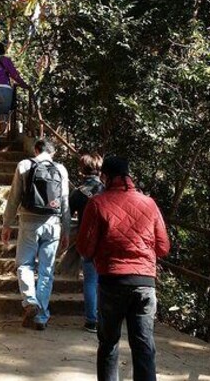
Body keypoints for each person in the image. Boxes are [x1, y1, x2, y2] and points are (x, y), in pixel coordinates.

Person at [77, 156, 171, 381]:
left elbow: (85, 248)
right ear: (129, 176)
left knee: (109, 344)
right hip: (144, 283)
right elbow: (164, 247)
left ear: (105, 177)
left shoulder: (97, 203)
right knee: (144, 346)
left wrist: (102, 253)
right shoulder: (149, 203)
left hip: (112, 282)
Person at [1, 139, 70, 330]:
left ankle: (30, 301)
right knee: (46, 270)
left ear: (35, 150)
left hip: (29, 223)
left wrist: (7, 225)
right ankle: (41, 317)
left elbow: (14, 197)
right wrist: (66, 230)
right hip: (53, 225)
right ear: (52, 153)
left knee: (24, 264)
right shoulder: (61, 170)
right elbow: (64, 202)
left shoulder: (24, 165)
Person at [68, 153, 105, 333]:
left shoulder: (79, 191)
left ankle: (91, 320)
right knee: (105, 281)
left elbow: (67, 213)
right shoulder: (108, 190)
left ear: (82, 169)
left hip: (88, 240)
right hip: (107, 241)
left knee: (90, 280)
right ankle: (106, 318)